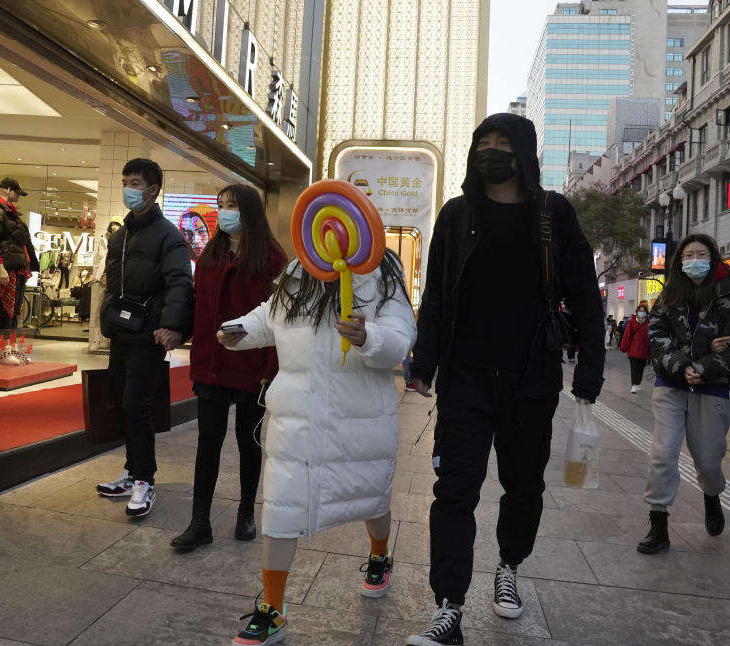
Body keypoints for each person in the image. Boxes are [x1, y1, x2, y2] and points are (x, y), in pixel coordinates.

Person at [405, 113, 605, 646]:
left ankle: (509, 567)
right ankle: (449, 607)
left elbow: (585, 294)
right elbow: (438, 298)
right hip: (466, 379)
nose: (490, 152)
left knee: (524, 488)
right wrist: (423, 365)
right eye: (482, 143)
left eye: (502, 143)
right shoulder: (457, 215)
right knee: (454, 492)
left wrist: (589, 372)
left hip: (531, 380)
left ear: (524, 151)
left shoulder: (553, 214)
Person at [220, 250, 415, 646]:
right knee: (281, 507)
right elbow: (271, 315)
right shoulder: (300, 267)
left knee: (372, 499)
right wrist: (240, 328)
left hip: (359, 418)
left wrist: (369, 336)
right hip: (296, 415)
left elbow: (402, 336)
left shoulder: (382, 271)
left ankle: (379, 553)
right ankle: (273, 609)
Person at [170, 184, 287, 550]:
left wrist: (271, 367)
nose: (224, 212)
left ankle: (246, 512)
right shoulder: (212, 253)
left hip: (252, 367)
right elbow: (199, 304)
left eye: (231, 206)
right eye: (221, 205)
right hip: (212, 362)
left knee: (248, 443)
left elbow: (279, 319)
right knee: (208, 441)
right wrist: (178, 330)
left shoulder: (271, 259)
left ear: (249, 211)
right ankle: (199, 521)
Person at [95, 158, 193, 517]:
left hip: (149, 335)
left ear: (153, 190)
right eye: (125, 182)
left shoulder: (169, 236)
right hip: (122, 333)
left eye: (135, 183)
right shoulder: (120, 235)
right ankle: (131, 469)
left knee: (137, 406)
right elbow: (113, 285)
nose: (128, 189)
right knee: (123, 403)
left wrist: (172, 325)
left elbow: (180, 284)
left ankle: (144, 480)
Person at [638, 234, 730, 554]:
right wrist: (682, 364)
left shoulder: (728, 295)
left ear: (713, 257)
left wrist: (703, 368)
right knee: (663, 453)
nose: (694, 260)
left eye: (701, 254)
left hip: (711, 387)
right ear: (679, 261)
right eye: (688, 255)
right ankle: (658, 524)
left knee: (709, 459)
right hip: (671, 385)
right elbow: (656, 334)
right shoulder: (670, 294)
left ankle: (711, 496)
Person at [0, 177, 38, 364]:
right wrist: (0, 266)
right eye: (16, 192)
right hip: (7, 266)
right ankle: (5, 348)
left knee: (14, 309)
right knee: (7, 309)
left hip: (17, 266)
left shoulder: (9, 213)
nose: (18, 197)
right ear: (6, 190)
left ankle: (11, 347)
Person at [620, 304, 651, 394]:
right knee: (634, 368)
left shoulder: (649, 323)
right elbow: (627, 336)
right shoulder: (631, 322)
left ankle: (638, 382)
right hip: (633, 350)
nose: (641, 313)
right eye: (640, 311)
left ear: (646, 313)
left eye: (643, 311)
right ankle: (633, 385)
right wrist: (624, 347)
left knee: (641, 368)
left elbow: (651, 336)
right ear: (637, 312)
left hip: (644, 350)